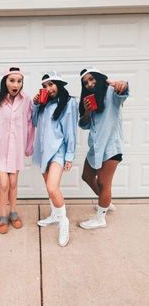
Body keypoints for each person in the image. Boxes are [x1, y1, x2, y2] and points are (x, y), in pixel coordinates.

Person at [0, 67, 35, 234]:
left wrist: (28, 147)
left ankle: (13, 212)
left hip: (16, 148)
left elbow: (30, 124)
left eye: (19, 81)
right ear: (5, 81)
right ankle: (3, 216)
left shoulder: (26, 100)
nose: (16, 84)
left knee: (13, 183)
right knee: (3, 184)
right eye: (12, 80)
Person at [78, 66, 129, 229]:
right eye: (85, 82)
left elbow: (123, 92)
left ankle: (100, 218)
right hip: (96, 148)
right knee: (87, 176)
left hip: (111, 147)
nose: (89, 84)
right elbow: (85, 125)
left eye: (92, 79)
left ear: (100, 78)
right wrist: (86, 112)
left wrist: (121, 85)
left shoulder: (110, 92)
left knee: (104, 183)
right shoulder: (91, 98)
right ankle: (105, 201)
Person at [32, 71, 78, 247]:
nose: (48, 88)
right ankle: (54, 214)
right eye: (44, 85)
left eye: (51, 84)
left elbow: (71, 132)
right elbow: (35, 122)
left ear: (59, 85)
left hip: (58, 152)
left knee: (53, 187)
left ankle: (63, 221)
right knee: (48, 187)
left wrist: (69, 156)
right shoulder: (44, 104)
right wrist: (36, 105)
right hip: (44, 152)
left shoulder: (69, 103)